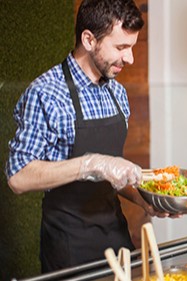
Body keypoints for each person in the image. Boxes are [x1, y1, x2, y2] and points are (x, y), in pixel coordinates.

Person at [5, 0, 173, 273]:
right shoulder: (46, 93)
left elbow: (111, 174)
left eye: (132, 47)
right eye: (121, 47)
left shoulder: (116, 93)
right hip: (68, 244)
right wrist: (90, 163)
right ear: (88, 39)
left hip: (115, 234)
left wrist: (144, 199)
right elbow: (18, 176)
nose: (129, 58)